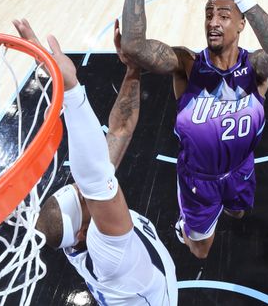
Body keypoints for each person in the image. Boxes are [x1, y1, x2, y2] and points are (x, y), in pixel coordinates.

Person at [121, 0, 268, 259]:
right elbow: (133, 47)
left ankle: (225, 208)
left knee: (239, 212)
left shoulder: (255, 66)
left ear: (241, 24)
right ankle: (184, 227)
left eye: (224, 15)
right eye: (209, 15)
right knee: (200, 251)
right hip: (199, 180)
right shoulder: (187, 64)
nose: (213, 22)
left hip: (242, 168)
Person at [16, 18, 178, 305]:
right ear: (83, 234)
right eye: (84, 199)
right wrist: (71, 92)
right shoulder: (109, 255)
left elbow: (119, 131)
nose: (82, 190)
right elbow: (93, 178)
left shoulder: (82, 232)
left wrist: (133, 69)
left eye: (77, 191)